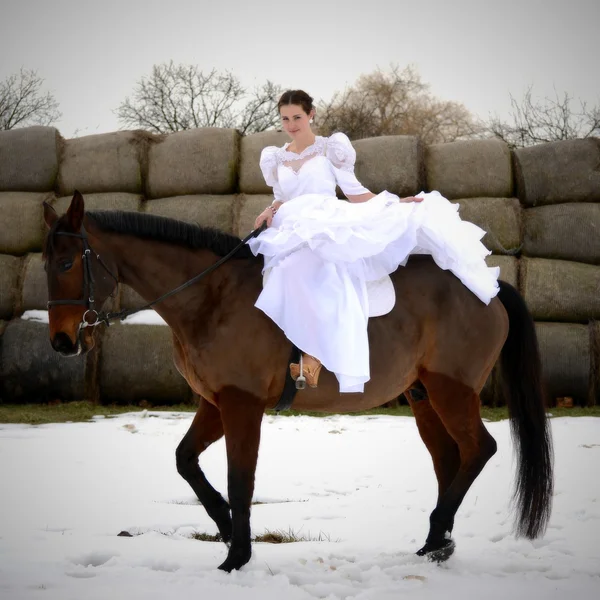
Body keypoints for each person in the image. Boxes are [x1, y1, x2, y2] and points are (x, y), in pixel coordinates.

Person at [247, 90, 499, 393]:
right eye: (285, 119)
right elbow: (280, 196)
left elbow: (354, 192)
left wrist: (393, 203)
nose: (291, 124)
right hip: (289, 225)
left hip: (326, 221)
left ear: (311, 114)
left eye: (297, 117)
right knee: (272, 273)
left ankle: (312, 357)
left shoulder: (331, 149)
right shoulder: (276, 156)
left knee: (315, 269)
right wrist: (270, 209)